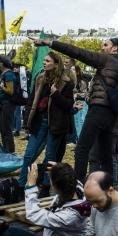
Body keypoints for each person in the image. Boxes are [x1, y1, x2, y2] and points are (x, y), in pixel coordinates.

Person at [31, 37, 118, 184]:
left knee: (81, 150)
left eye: (105, 45)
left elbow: (78, 52)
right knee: (106, 156)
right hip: (111, 116)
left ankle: (78, 188)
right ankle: (109, 190)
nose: (102, 48)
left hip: (98, 111)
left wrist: (50, 43)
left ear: (115, 49)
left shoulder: (108, 60)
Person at [5, 162, 90, 236]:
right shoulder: (76, 188)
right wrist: (60, 169)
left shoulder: (69, 216)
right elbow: (72, 179)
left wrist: (31, 185)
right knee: (12, 232)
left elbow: (33, 214)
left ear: (55, 188)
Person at [19, 52, 74, 198]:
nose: (44, 62)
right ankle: (21, 186)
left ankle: (45, 187)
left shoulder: (66, 82)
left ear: (56, 64)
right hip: (39, 122)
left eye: (47, 61)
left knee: (50, 156)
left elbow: (68, 105)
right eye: (44, 60)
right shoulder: (39, 78)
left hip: (55, 124)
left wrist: (56, 93)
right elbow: (32, 101)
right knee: (29, 155)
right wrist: (27, 122)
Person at [0, 55, 17, 153]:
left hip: (8, 103)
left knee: (6, 129)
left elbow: (10, 91)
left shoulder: (9, 75)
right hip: (4, 103)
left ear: (2, 63)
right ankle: (5, 149)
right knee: (2, 128)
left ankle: (10, 151)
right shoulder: (4, 74)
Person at [73, 65, 90, 139]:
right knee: (76, 123)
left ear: (77, 72)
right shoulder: (72, 81)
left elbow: (85, 93)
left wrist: (77, 94)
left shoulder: (82, 82)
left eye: (73, 69)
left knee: (81, 122)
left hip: (82, 104)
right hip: (75, 104)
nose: (71, 71)